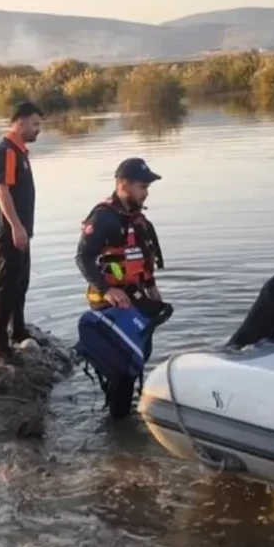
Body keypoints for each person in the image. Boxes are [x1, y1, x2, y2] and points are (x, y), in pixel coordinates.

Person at [74, 157, 173, 418]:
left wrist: (151, 287)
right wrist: (108, 289)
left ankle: (123, 416)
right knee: (121, 364)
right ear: (122, 184)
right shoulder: (103, 218)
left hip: (135, 298)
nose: (146, 192)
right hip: (109, 302)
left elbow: (143, 255)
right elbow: (82, 258)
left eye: (147, 187)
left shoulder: (137, 220)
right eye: (142, 186)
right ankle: (118, 424)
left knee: (136, 357)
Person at [0, 100, 44, 360]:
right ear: (20, 122)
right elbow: (2, 190)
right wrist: (16, 227)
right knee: (6, 285)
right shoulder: (6, 150)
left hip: (20, 231)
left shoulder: (20, 152)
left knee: (21, 283)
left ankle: (18, 331)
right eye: (35, 124)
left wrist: (24, 230)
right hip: (6, 232)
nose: (38, 129)